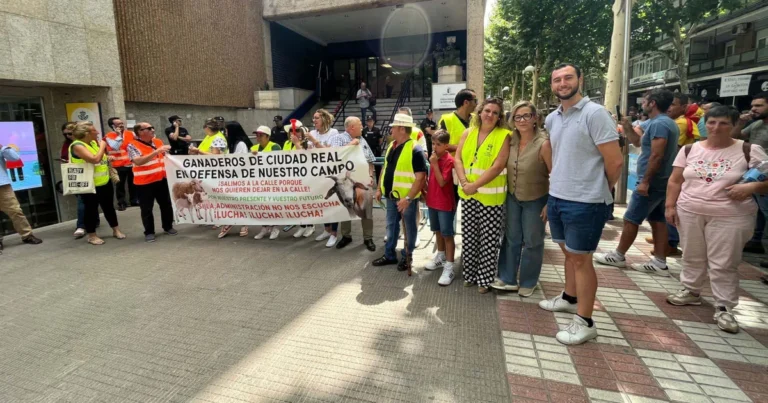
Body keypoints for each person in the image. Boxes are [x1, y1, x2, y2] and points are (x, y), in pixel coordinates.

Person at [537, 63, 623, 345]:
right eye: (557, 79)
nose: (562, 83)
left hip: (586, 201)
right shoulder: (552, 118)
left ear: (580, 80)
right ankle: (570, 297)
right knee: (570, 255)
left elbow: (615, 161)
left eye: (568, 78)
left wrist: (599, 188)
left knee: (582, 260)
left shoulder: (595, 114)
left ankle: (585, 321)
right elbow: (554, 152)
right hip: (559, 196)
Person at [665, 105, 768, 334]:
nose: (716, 128)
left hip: (731, 215)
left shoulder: (749, 150)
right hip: (690, 211)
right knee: (692, 254)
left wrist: (753, 186)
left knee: (723, 261)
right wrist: (670, 206)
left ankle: (724, 306)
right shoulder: (690, 149)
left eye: (723, 123)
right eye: (712, 122)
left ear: (734, 125)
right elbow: (675, 180)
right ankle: (691, 290)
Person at [594, 89, 679, 276]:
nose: (642, 104)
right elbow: (639, 143)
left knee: (631, 219)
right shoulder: (662, 123)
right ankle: (659, 261)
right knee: (658, 220)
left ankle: (618, 255)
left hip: (653, 181)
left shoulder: (660, 125)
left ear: (653, 103)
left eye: (645, 101)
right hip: (661, 181)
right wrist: (627, 127)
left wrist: (645, 182)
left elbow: (656, 155)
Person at [491, 101, 552, 296]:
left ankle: (528, 281)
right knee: (511, 238)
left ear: (535, 118)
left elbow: (556, 175)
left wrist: (550, 204)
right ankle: (508, 278)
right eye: (518, 117)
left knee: (533, 241)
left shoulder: (544, 143)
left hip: (536, 199)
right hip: (513, 197)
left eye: (527, 116)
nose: (522, 120)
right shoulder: (511, 140)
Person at [454, 97, 511, 294]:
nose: (490, 115)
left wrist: (474, 185)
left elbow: (498, 166)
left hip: (490, 198)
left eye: (495, 113)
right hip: (469, 195)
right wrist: (464, 183)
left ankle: (484, 279)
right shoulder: (468, 132)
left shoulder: (504, 135)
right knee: (469, 237)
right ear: (479, 112)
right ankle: (469, 275)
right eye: (487, 110)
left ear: (499, 117)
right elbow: (458, 159)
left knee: (489, 239)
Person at [372, 113, 427, 270]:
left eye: (393, 128)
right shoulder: (392, 146)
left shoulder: (415, 149)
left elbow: (420, 178)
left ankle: (406, 257)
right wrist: (378, 188)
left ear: (402, 129)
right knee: (391, 225)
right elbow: (385, 168)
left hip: (406, 199)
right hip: (390, 196)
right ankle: (389, 254)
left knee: (409, 228)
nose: (391, 131)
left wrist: (408, 199)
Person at [69, 121, 126, 245]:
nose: (98, 132)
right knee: (91, 210)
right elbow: (94, 159)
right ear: (87, 133)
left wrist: (107, 157)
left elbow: (100, 157)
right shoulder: (77, 145)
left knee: (109, 207)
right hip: (89, 184)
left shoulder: (94, 142)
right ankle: (92, 235)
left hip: (104, 181)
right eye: (95, 130)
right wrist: (102, 146)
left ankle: (115, 229)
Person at [127, 122, 177, 243]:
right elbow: (138, 161)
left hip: (161, 180)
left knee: (166, 205)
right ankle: (149, 232)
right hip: (144, 183)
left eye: (152, 127)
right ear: (140, 132)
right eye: (149, 128)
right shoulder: (132, 145)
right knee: (146, 209)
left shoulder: (158, 142)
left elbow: (166, 157)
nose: (152, 130)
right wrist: (156, 152)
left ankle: (168, 226)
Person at [333, 117, 377, 251]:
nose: (362, 126)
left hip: (363, 180)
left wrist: (370, 175)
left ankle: (368, 238)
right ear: (351, 127)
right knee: (347, 208)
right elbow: (334, 156)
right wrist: (351, 144)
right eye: (360, 124)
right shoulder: (338, 138)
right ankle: (346, 236)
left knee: (366, 210)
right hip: (345, 182)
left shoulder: (363, 139)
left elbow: (370, 160)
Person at [734, 93, 768, 256]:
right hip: (754, 174)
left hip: (765, 177)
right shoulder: (756, 125)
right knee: (759, 211)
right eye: (753, 105)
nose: (753, 109)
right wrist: (741, 122)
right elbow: (735, 137)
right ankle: (756, 241)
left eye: (759, 105)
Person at [424, 130, 457, 286]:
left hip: (444, 203)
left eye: (438, 144)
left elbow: (443, 181)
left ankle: (450, 267)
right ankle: (440, 256)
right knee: (437, 231)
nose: (434, 147)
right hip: (433, 200)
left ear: (446, 145)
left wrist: (434, 164)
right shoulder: (434, 158)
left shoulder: (448, 160)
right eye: (433, 144)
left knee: (447, 234)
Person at [0, 143, 43, 254]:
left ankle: (27, 235)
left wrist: (2, 147)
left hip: (2, 185)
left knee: (15, 211)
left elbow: (15, 158)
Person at [308, 109, 340, 242]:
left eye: (317, 118)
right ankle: (326, 230)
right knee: (322, 202)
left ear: (325, 119)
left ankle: (334, 233)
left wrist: (315, 142)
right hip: (317, 173)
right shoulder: (312, 133)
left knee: (332, 202)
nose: (314, 121)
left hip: (330, 173)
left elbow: (330, 152)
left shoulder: (333, 133)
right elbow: (309, 153)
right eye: (313, 118)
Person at [218, 121, 254, 239]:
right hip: (232, 178)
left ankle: (244, 224)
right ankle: (230, 221)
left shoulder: (241, 144)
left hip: (241, 179)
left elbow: (240, 163)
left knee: (242, 202)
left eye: (227, 130)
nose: (226, 133)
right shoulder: (231, 143)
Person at [60, 122, 95, 238]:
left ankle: (87, 224)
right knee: (82, 201)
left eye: (70, 133)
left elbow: (93, 157)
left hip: (91, 175)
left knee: (87, 202)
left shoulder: (85, 143)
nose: (68, 136)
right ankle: (82, 225)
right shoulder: (69, 145)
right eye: (66, 134)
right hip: (79, 176)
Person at [283, 120, 316, 239]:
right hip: (292, 177)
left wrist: (297, 144)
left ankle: (310, 225)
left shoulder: (307, 143)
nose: (293, 132)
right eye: (292, 130)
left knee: (307, 203)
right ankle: (302, 225)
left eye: (296, 130)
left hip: (305, 178)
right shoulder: (287, 143)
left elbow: (305, 158)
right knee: (298, 204)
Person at [251, 126, 282, 240]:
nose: (258, 137)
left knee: (273, 205)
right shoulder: (254, 147)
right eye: (257, 135)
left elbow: (277, 162)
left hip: (272, 182)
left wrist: (259, 156)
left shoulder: (275, 146)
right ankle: (265, 227)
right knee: (262, 206)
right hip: (259, 182)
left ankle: (275, 227)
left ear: (268, 137)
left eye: (261, 135)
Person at [105, 117, 137, 210]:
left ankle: (134, 200)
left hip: (131, 163)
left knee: (133, 183)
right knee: (120, 185)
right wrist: (119, 135)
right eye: (118, 124)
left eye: (122, 123)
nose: (121, 125)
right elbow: (115, 147)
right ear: (112, 126)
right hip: (118, 164)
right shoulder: (109, 136)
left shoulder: (130, 133)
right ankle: (121, 203)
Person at [439, 89, 477, 155]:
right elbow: (440, 144)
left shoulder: (477, 119)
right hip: (452, 163)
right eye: (475, 101)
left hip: (473, 163)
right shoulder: (447, 120)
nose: (476, 104)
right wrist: (464, 147)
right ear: (466, 102)